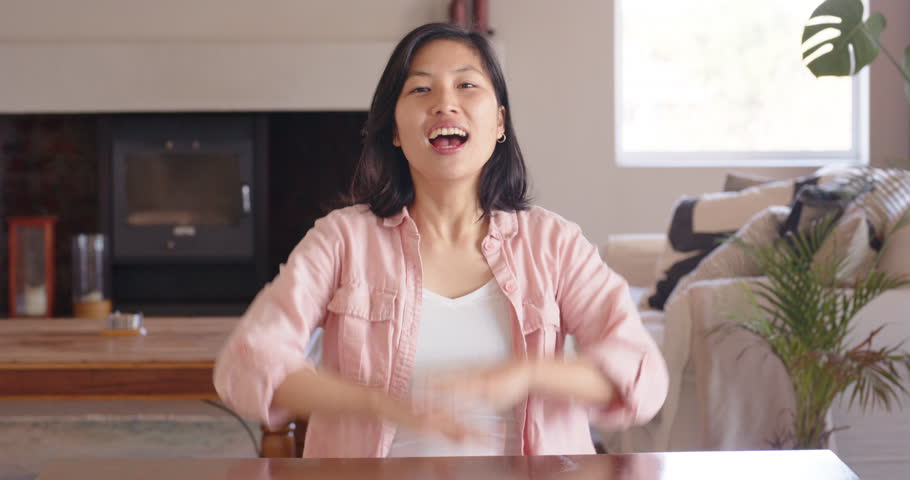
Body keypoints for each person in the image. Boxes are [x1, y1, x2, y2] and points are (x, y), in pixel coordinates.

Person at [213, 22, 668, 458]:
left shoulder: (554, 243)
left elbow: (642, 374)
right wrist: (377, 402)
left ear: (499, 123)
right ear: (393, 129)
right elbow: (248, 363)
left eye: (467, 86)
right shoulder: (342, 239)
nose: (444, 104)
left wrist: (529, 374)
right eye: (420, 89)